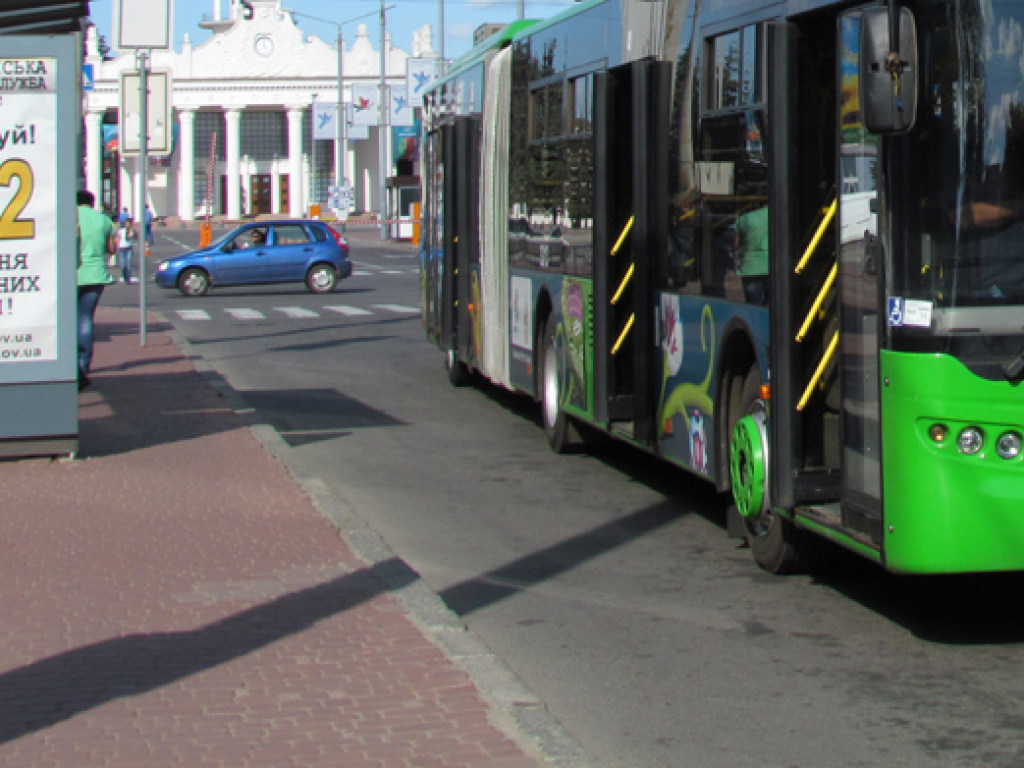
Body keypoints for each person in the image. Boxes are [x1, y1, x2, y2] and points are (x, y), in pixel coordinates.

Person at [77, 189, 116, 391]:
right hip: (96, 274)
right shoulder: (103, 220)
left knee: (68, 320)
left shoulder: (70, 217)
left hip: (74, 274)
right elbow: (112, 248)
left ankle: (71, 363)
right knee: (85, 318)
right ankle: (84, 363)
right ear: (91, 203)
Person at [734, 205, 770, 305]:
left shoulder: (745, 218)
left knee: (754, 304)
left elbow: (736, 244)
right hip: (773, 267)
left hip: (751, 268)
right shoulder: (779, 215)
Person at [116, 217, 135, 284]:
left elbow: (132, 237)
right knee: (123, 265)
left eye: (129, 223)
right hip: (121, 248)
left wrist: (131, 232)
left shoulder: (132, 230)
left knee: (128, 263)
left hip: (129, 248)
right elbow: (117, 238)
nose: (127, 225)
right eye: (126, 223)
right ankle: (124, 276)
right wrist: (117, 244)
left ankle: (128, 278)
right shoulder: (121, 230)